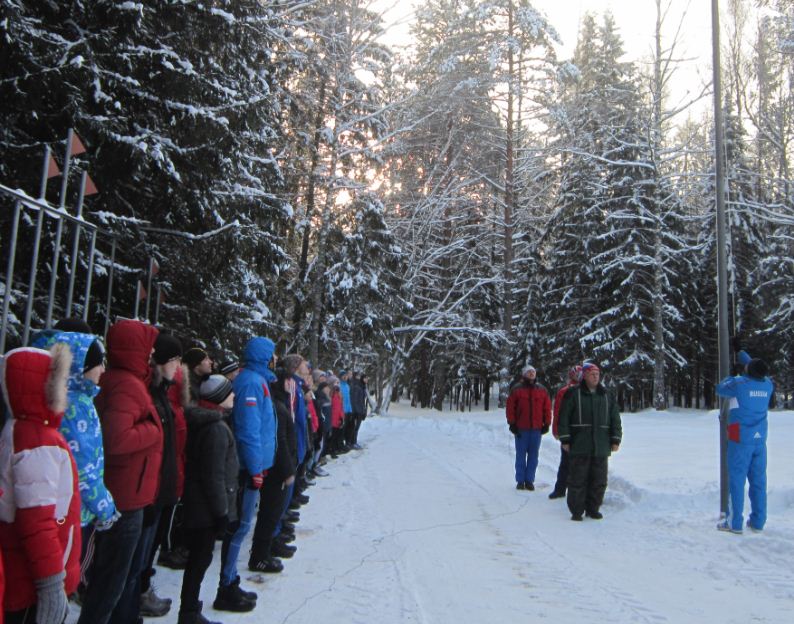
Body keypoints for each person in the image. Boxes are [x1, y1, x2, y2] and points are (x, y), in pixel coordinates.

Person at [77, 319, 162, 624]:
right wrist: (154, 431)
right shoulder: (126, 385)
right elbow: (116, 438)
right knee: (113, 579)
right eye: (148, 347)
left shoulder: (127, 381)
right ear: (135, 349)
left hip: (126, 491)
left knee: (115, 577)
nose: (152, 353)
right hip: (125, 497)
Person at [0, 344, 81, 624]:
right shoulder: (37, 441)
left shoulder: (27, 431)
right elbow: (37, 523)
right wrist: (50, 585)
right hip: (32, 581)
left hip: (27, 573)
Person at [214, 337, 277, 612]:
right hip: (246, 467)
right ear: (265, 357)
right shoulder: (251, 382)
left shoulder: (257, 380)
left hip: (253, 465)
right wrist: (255, 468)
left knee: (240, 526)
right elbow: (248, 430)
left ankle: (230, 580)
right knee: (238, 527)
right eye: (273, 354)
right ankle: (225, 586)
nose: (276, 358)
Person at [177, 375, 239, 624]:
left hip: (202, 505)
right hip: (205, 508)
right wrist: (222, 513)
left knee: (200, 559)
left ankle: (190, 609)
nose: (234, 396)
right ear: (220, 398)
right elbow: (214, 475)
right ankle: (189, 612)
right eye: (230, 393)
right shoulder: (215, 428)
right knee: (199, 559)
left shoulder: (213, 422)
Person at [137, 333, 184, 618]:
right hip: (146, 489)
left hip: (161, 484)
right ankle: (135, 598)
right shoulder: (149, 394)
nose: (179, 367)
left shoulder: (163, 391)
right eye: (176, 360)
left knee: (147, 549)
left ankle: (141, 592)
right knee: (137, 555)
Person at [715, 352, 774, 534]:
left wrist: (733, 374)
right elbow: (757, 370)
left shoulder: (739, 384)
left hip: (738, 437)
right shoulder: (767, 384)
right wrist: (743, 356)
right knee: (758, 481)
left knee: (737, 480)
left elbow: (720, 388)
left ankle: (734, 523)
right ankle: (758, 521)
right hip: (759, 439)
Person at [558, 362, 622, 521]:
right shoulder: (573, 394)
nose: (595, 376)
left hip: (600, 445)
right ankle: (577, 510)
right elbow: (564, 417)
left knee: (599, 479)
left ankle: (593, 508)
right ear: (584, 375)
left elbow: (615, 418)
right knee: (578, 479)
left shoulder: (606, 395)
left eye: (597, 374)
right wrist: (565, 438)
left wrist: (615, 439)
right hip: (580, 444)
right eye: (592, 373)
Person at [505, 365, 551, 491]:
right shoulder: (517, 389)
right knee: (520, 455)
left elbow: (547, 408)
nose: (531, 374)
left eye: (533, 372)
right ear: (524, 374)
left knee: (533, 456)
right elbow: (510, 408)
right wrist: (512, 423)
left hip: (536, 429)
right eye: (529, 372)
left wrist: (547, 423)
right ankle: (520, 480)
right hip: (521, 429)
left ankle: (529, 480)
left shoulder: (542, 390)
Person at [548, 366, 582, 500]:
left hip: (583, 432)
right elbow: (558, 412)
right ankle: (560, 489)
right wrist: (557, 430)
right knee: (566, 462)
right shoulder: (565, 391)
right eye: (577, 374)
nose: (579, 376)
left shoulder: (589, 390)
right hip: (568, 431)